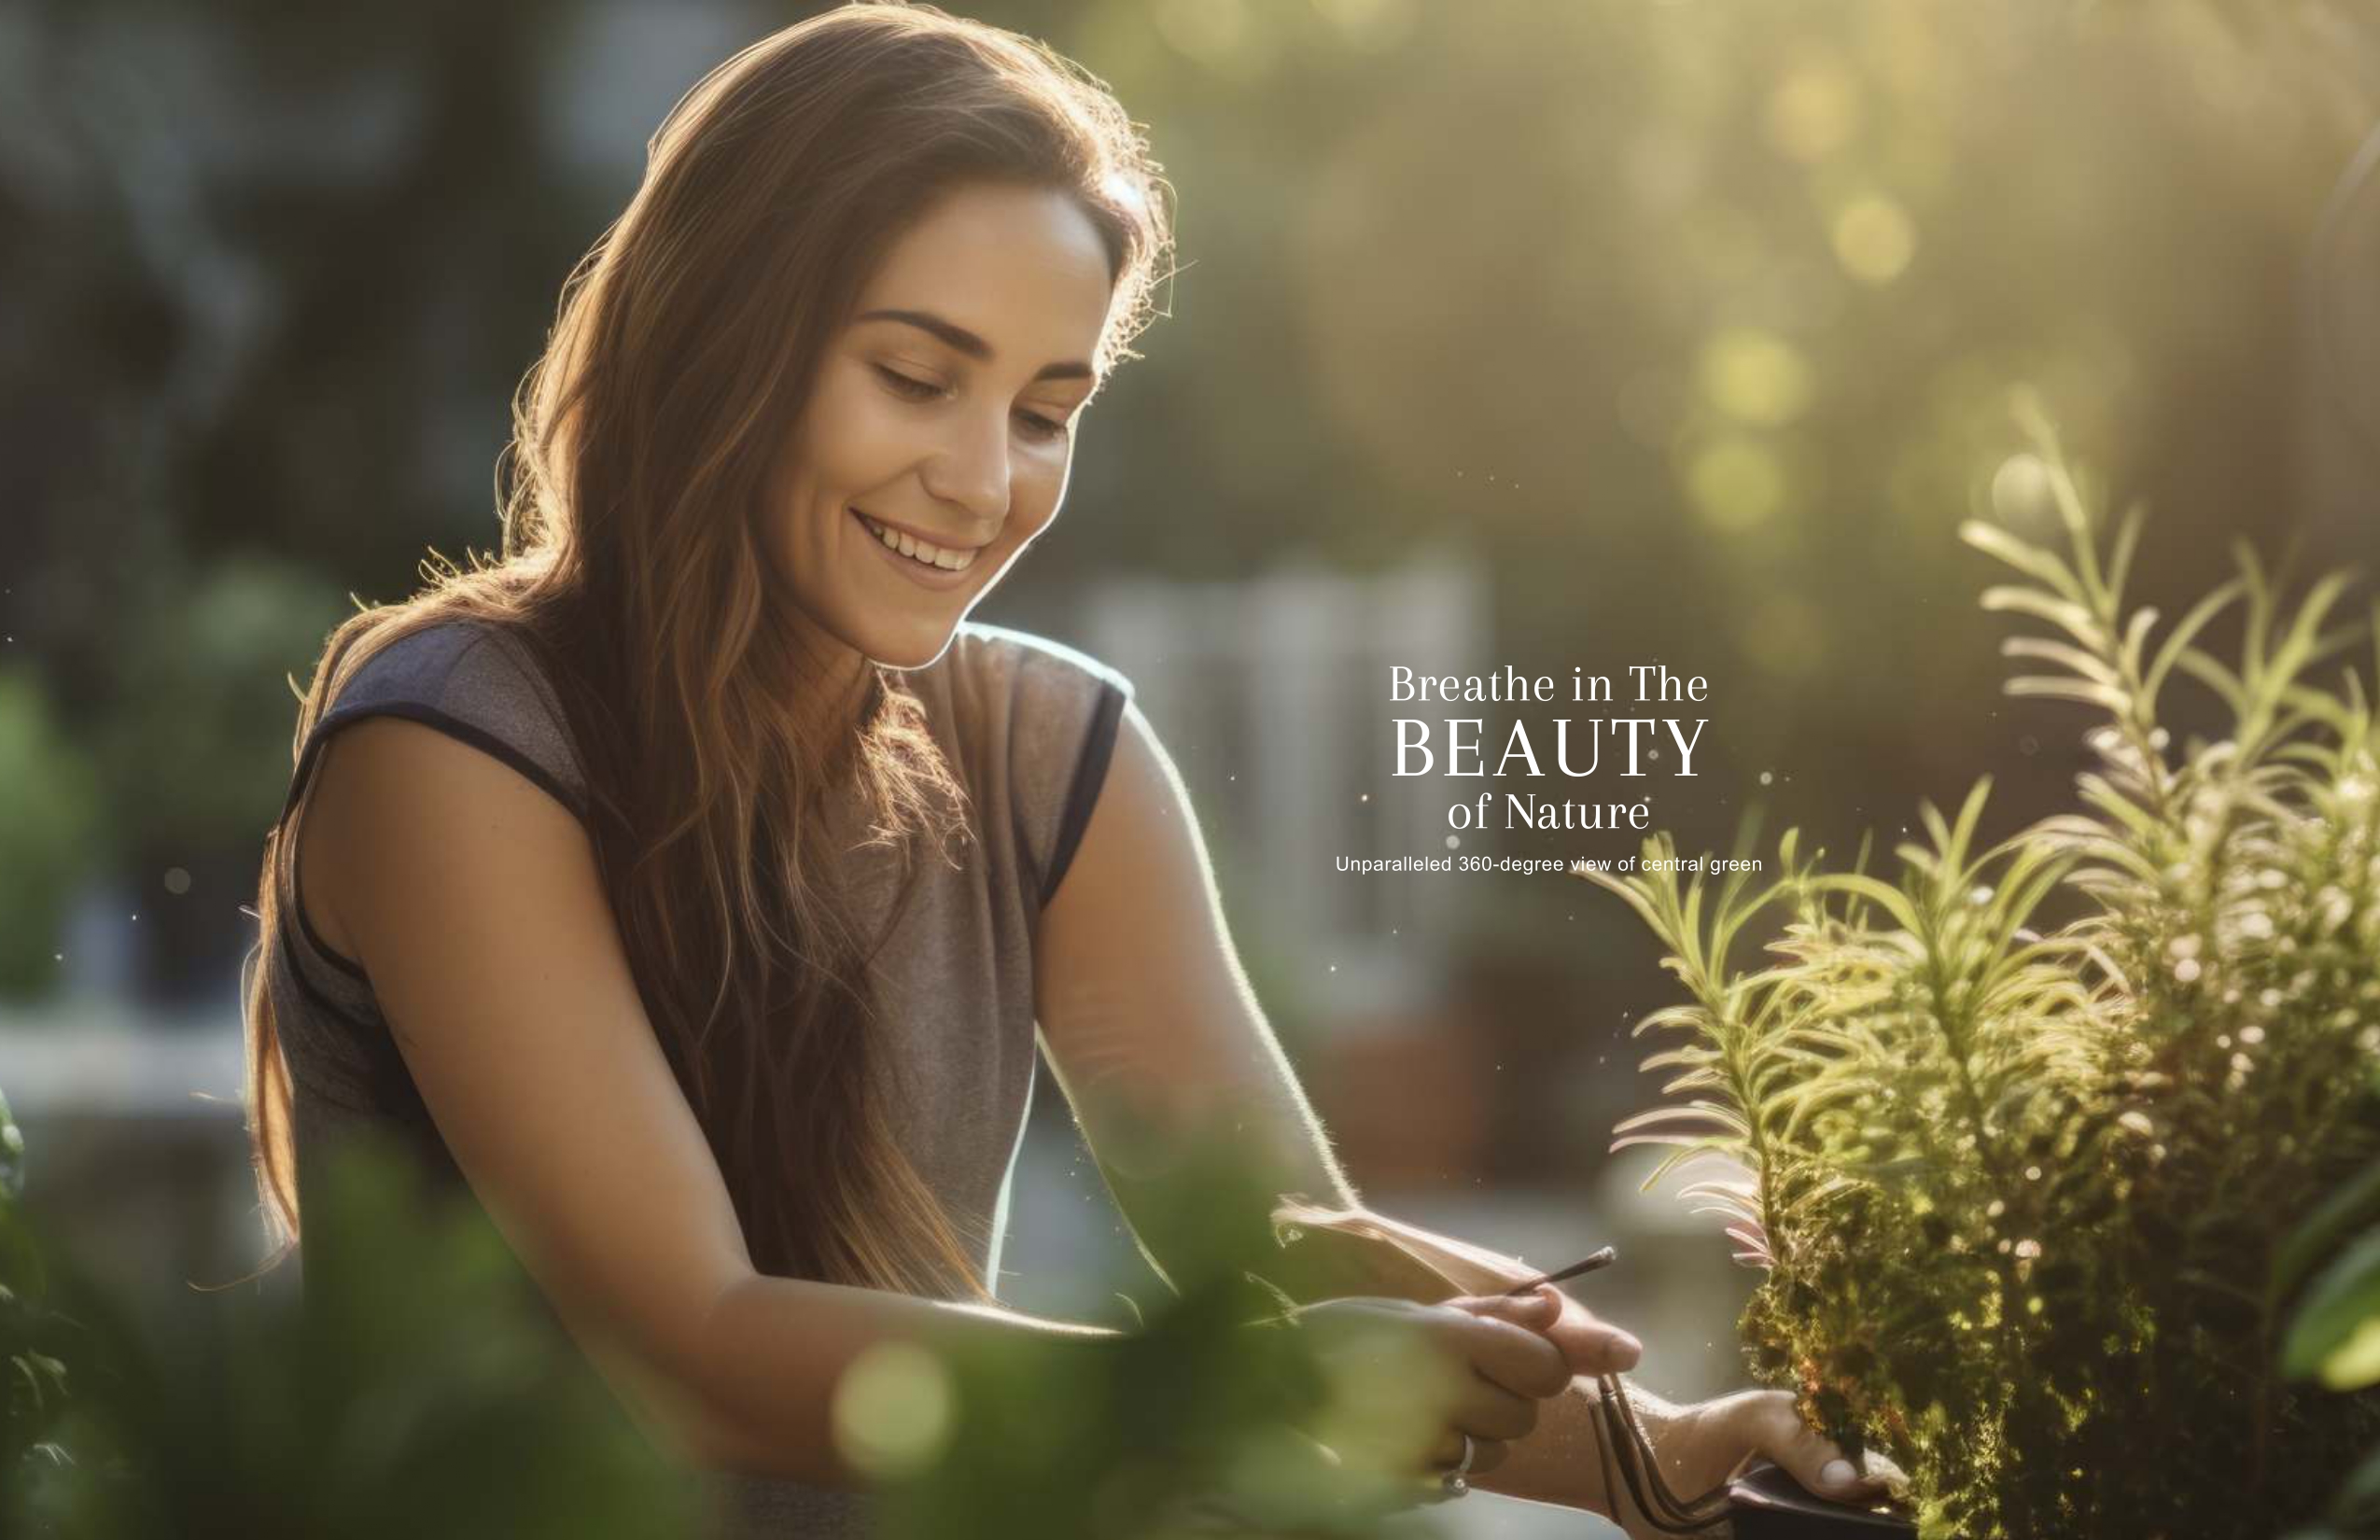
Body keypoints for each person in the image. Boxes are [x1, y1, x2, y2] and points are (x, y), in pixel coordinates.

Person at [239, 4, 1897, 1534]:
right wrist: (1257, 1382)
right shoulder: (453, 742)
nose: (982, 478)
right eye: (914, 375)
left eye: (1045, 407)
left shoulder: (1049, 751)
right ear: (718, 339)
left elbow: (1263, 1256)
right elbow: (696, 1341)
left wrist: (1663, 1456)